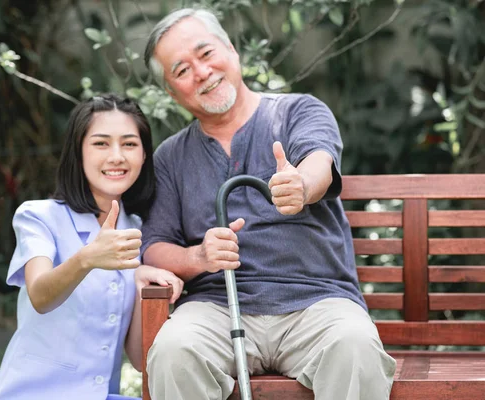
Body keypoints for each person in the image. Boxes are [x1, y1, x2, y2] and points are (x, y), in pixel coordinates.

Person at [140, 8, 396, 400]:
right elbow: (154, 246)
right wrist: (199, 258)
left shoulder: (298, 111)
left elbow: (319, 164)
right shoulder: (170, 158)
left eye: (206, 53)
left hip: (316, 302)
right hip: (217, 309)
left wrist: (301, 186)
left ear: (231, 50)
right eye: (181, 70)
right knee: (174, 352)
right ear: (173, 93)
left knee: (355, 347)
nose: (202, 72)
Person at [0, 94, 183, 400]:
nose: (117, 156)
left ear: (145, 156)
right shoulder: (38, 217)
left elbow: (137, 358)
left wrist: (146, 285)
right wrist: (88, 258)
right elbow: (40, 296)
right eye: (101, 143)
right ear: (77, 153)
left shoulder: (136, 228)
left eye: (130, 144)